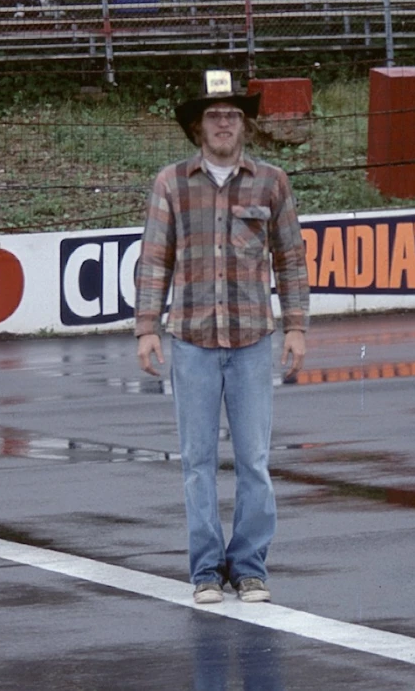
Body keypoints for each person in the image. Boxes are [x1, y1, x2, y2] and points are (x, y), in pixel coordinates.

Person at [135, 70, 309, 605]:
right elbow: (154, 258)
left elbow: (291, 257)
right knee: (197, 461)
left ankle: (251, 567)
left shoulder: (271, 182)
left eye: (233, 114)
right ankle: (206, 571)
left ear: (246, 125)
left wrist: (297, 325)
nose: (225, 123)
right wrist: (147, 329)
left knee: (254, 460)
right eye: (214, 115)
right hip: (190, 340)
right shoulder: (171, 183)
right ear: (196, 127)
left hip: (254, 338)